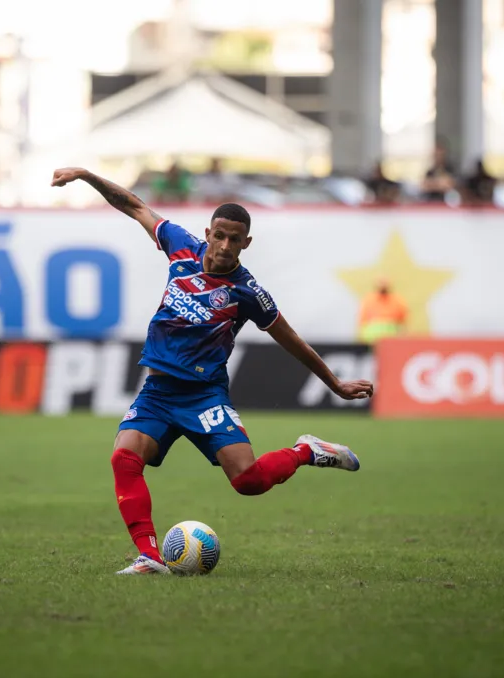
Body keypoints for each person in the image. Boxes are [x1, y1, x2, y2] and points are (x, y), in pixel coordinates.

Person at [51, 166, 374, 576]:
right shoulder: (179, 247)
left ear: (246, 243)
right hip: (158, 392)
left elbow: (290, 339)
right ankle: (149, 556)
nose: (224, 246)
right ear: (207, 233)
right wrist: (84, 175)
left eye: (234, 240)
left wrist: (336, 383)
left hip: (205, 396)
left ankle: (306, 451)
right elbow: (134, 206)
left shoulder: (247, 292)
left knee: (248, 482)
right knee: (123, 458)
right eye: (218, 236)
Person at [358, 277, 408, 344]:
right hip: (372, 341)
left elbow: (402, 322)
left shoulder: (397, 300)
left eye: (385, 284)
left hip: (392, 340)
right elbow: (363, 322)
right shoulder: (368, 300)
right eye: (381, 284)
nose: (383, 286)